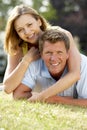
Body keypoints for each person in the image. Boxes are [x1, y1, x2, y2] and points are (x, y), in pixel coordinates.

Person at [3, 4, 80, 98]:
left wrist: (42, 96)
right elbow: (7, 88)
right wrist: (26, 60)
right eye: (20, 30)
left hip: (71, 90)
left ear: (39, 21)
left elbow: (75, 74)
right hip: (36, 89)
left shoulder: (62, 36)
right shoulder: (18, 48)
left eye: (29, 25)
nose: (27, 32)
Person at [15, 29, 87, 107]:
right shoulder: (35, 64)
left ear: (67, 54)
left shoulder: (83, 65)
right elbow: (18, 95)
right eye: (48, 53)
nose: (53, 58)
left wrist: (56, 99)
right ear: (41, 54)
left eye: (59, 52)